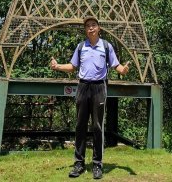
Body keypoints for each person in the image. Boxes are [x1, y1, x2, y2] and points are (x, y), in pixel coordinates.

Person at [50, 16, 130, 179]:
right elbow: (72, 67)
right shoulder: (81, 47)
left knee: (97, 127)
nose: (91, 28)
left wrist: (123, 71)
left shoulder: (106, 47)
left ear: (99, 28)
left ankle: (97, 165)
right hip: (82, 87)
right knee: (80, 125)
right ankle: (78, 164)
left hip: (99, 87)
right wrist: (57, 66)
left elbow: (116, 65)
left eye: (93, 25)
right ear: (85, 30)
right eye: (88, 26)